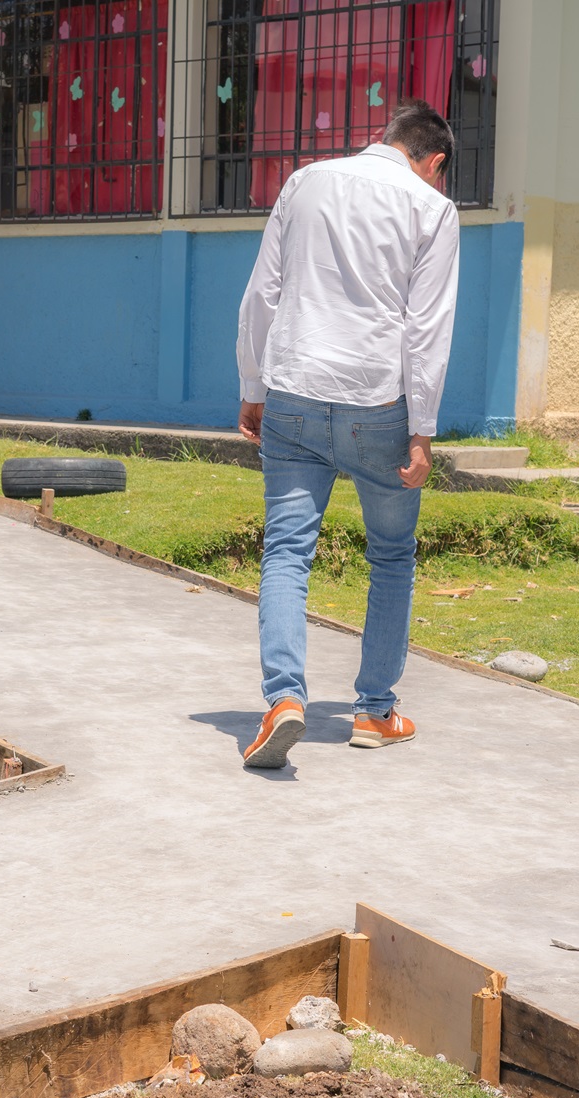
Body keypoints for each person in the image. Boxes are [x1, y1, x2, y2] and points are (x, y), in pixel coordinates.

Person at [234, 99, 461, 770]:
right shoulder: (432, 210)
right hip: (377, 405)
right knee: (391, 556)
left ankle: (283, 700)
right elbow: (426, 326)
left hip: (295, 392)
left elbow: (263, 293)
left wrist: (253, 386)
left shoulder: (306, 181)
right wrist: (422, 428)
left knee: (286, 554)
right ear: (434, 161)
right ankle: (374, 711)